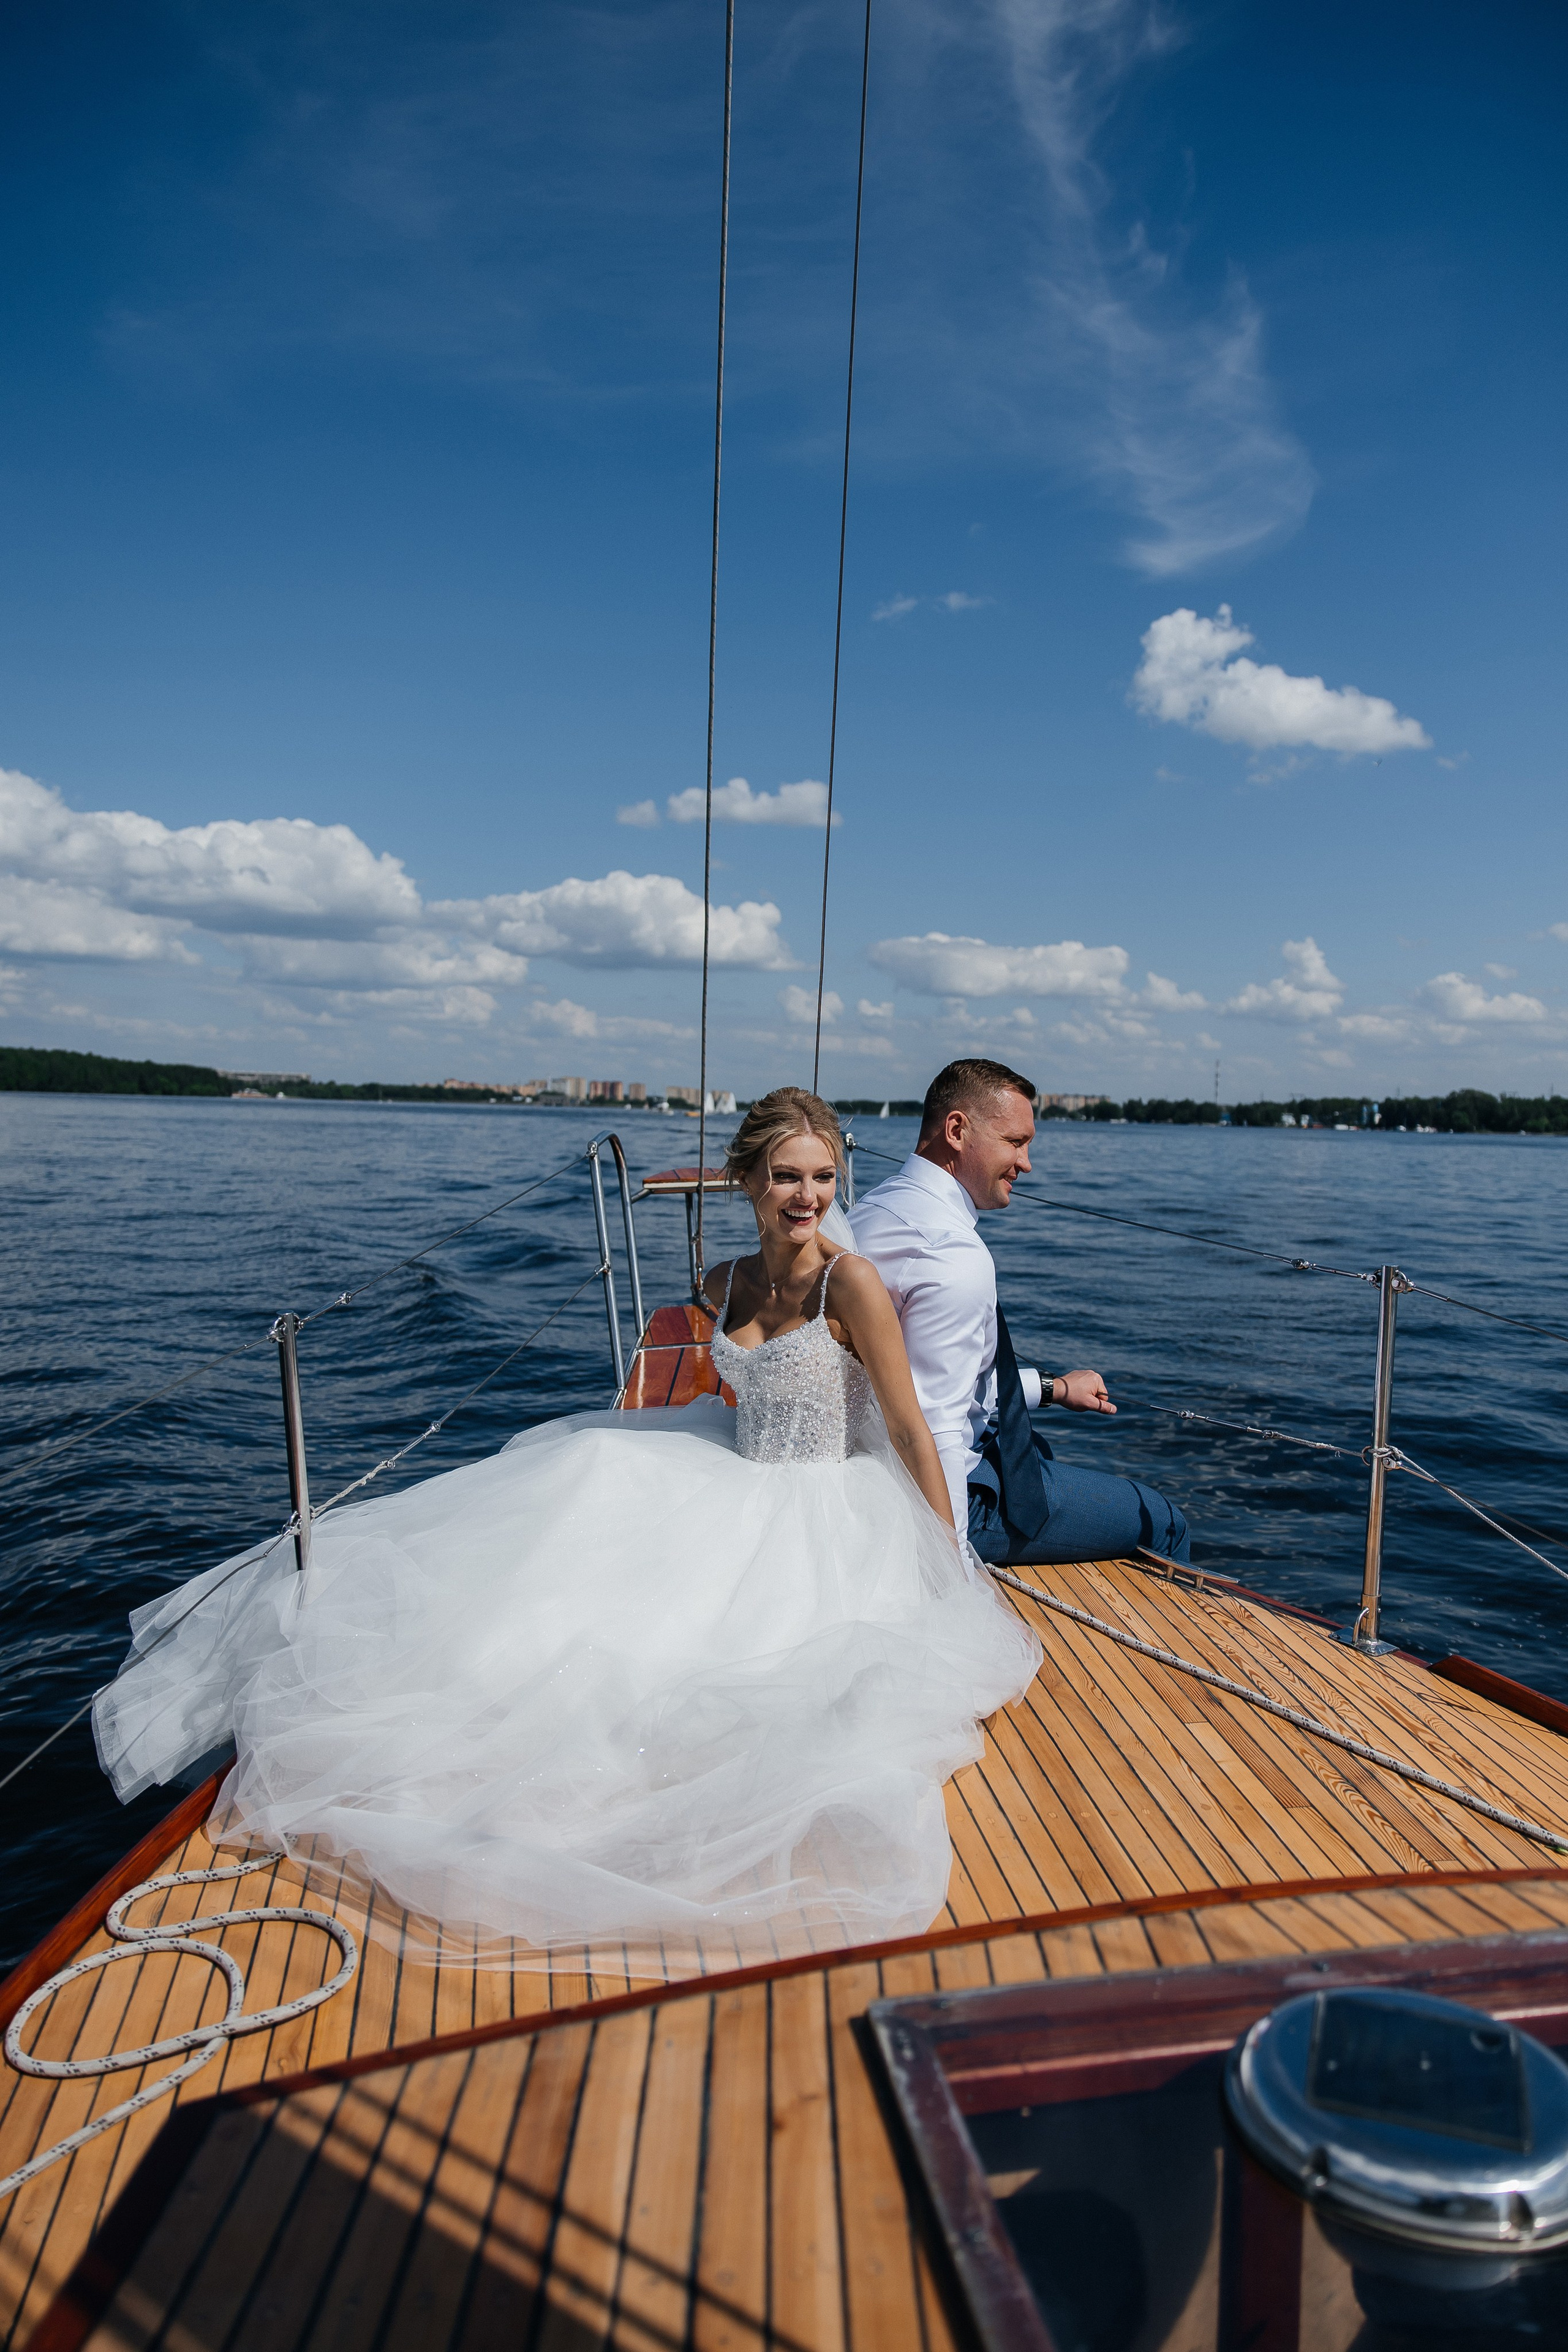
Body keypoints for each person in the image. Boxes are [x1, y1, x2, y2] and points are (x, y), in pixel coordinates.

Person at [92, 1087, 1039, 1972]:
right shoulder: (722, 1280)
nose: (808, 1195)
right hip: (729, 1474)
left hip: (824, 1506)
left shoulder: (855, 1285)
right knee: (562, 1588)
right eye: (788, 1175)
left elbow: (909, 1428)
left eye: (825, 1177)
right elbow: (734, 1390)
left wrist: (941, 1553)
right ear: (748, 1179)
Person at [850, 1058, 1191, 1568]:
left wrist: (1053, 1389)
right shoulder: (951, 1253)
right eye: (1015, 1142)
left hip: (873, 1464)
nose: (1027, 1163)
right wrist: (951, 1574)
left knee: (1041, 1452)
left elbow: (924, 1376)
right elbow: (936, 1426)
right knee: (1161, 1520)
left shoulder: (875, 1208)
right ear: (958, 1130)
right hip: (939, 1496)